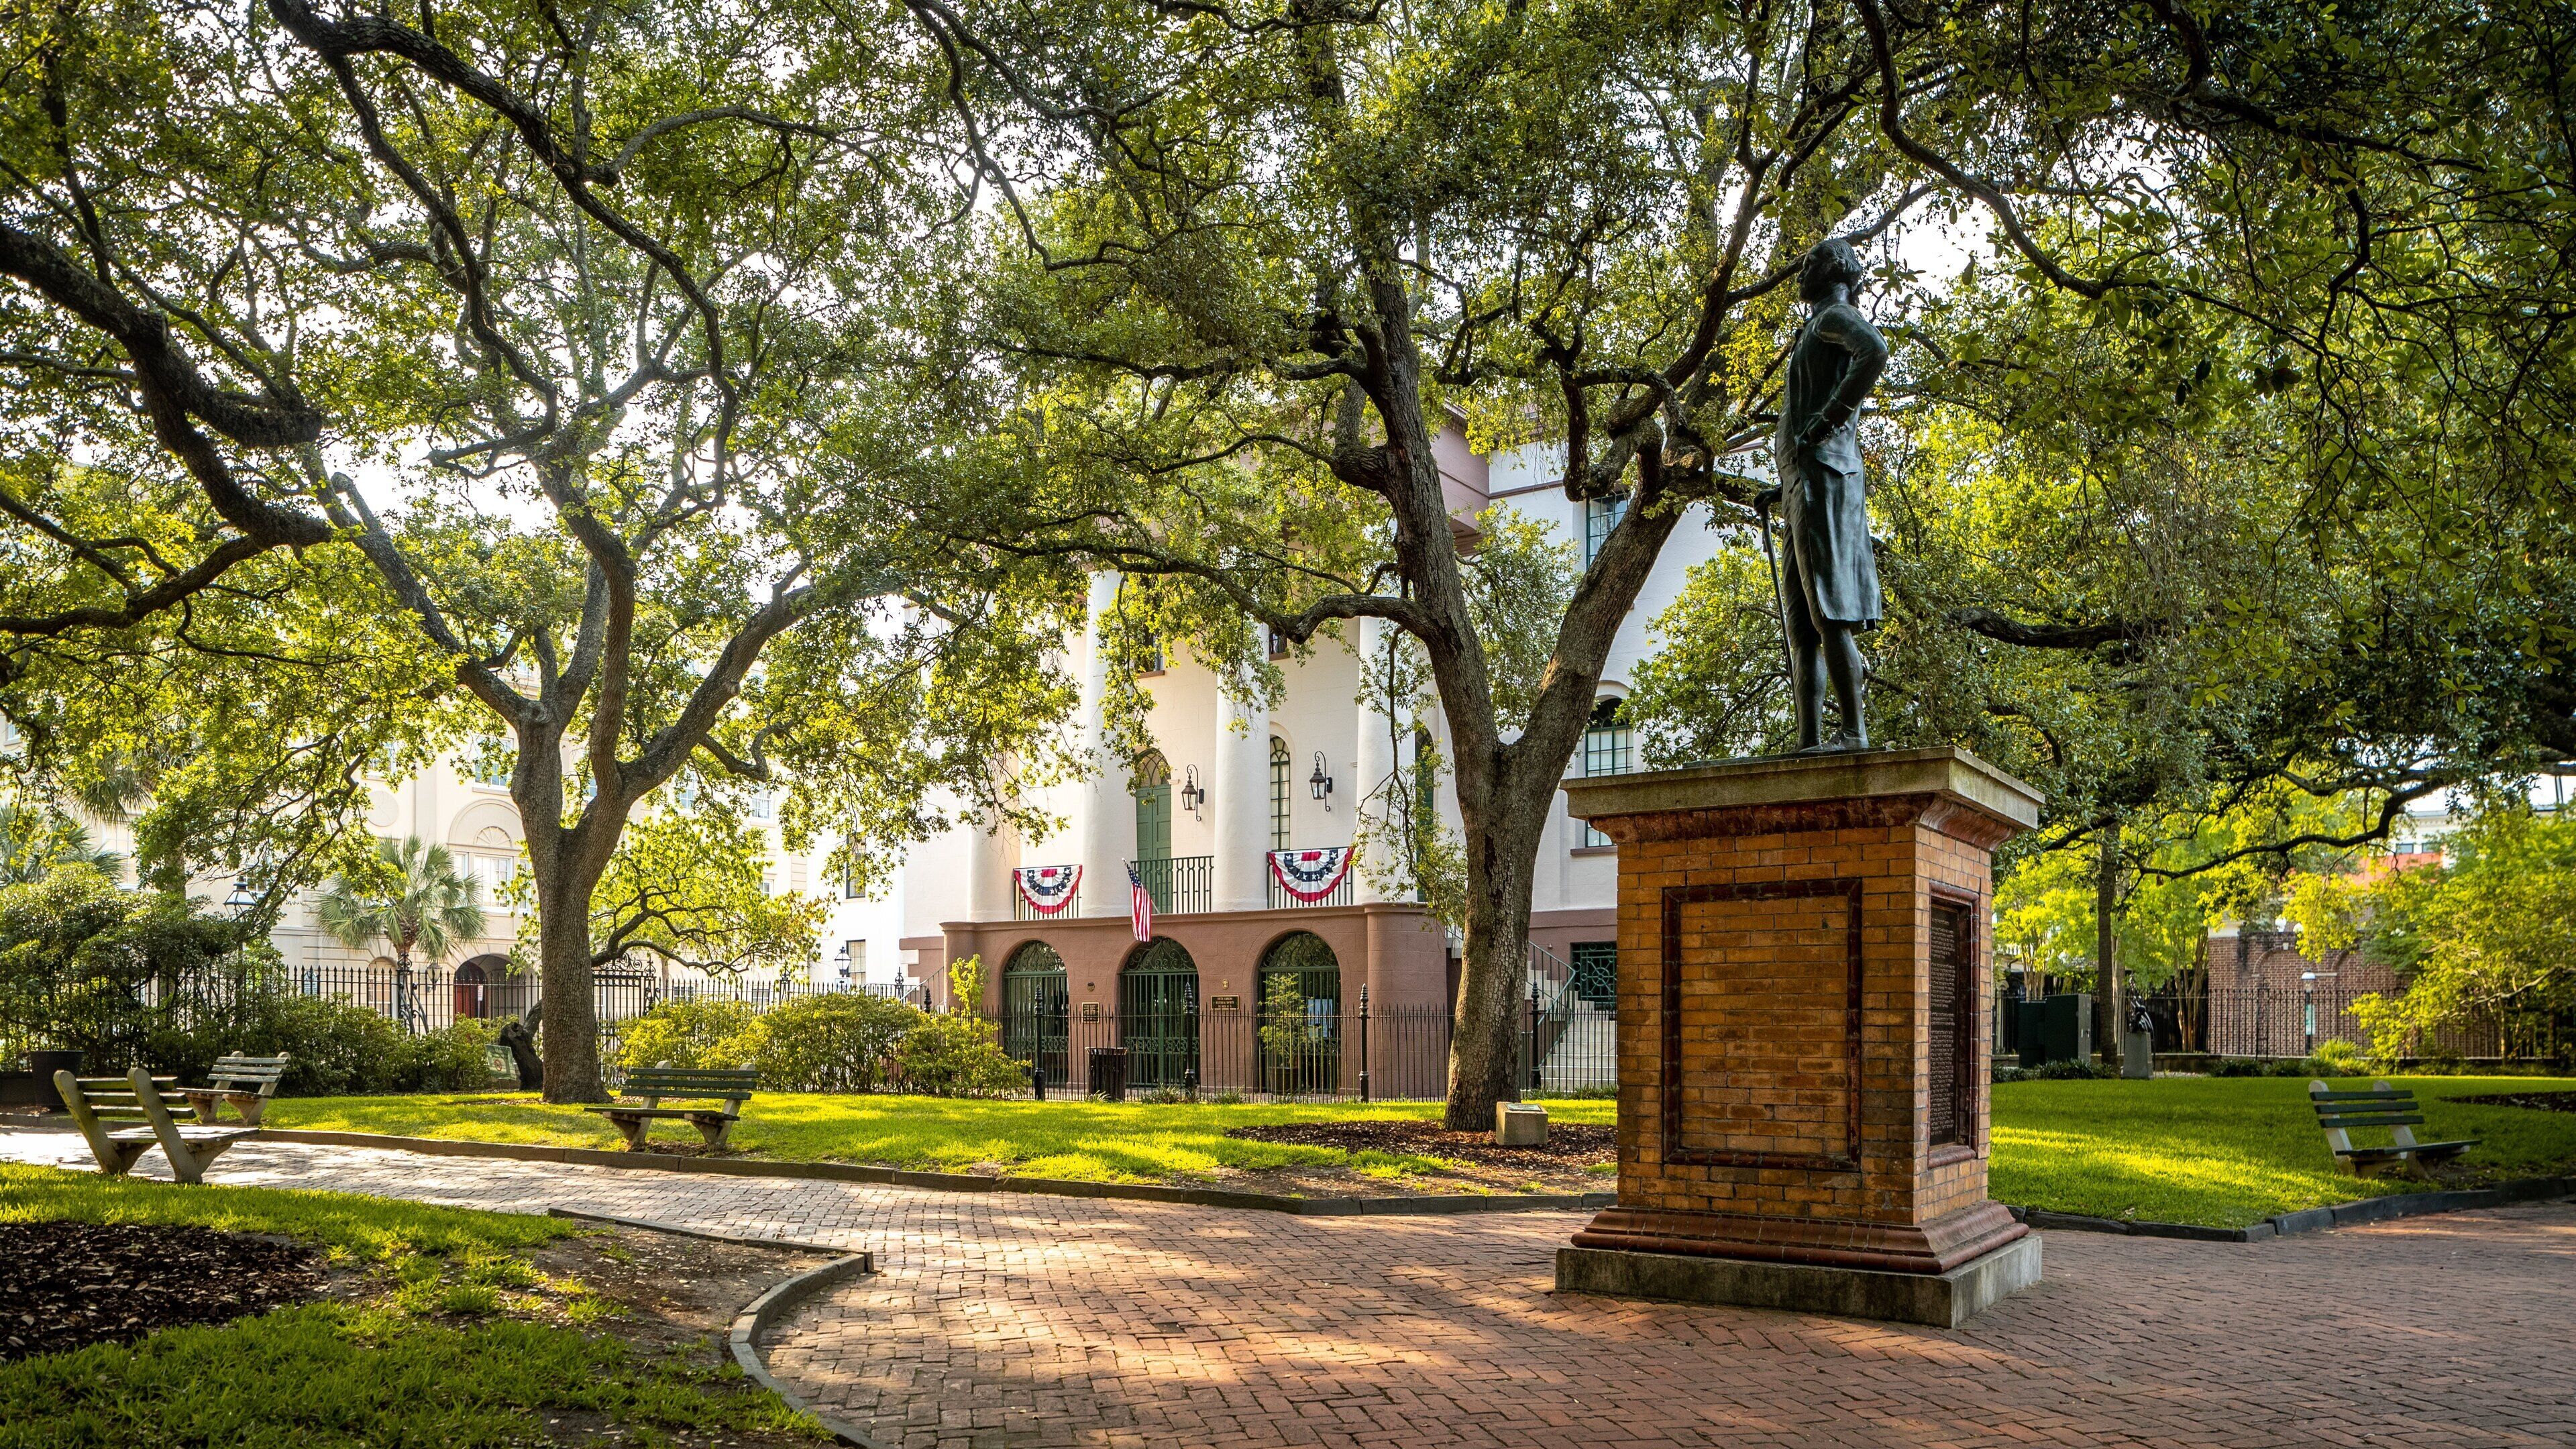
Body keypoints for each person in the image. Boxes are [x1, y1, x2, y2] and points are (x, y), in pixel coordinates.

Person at [1766, 236, 1889, 753]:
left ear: (1837, 268)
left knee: (1828, 609)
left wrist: (1828, 421)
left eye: (1810, 262)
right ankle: (1810, 738)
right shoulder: (1812, 329)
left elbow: (1876, 351)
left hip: (1825, 477)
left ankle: (1854, 733)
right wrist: (1781, 485)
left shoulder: (1834, 319)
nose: (1801, 269)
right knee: (1801, 623)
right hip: (1799, 485)